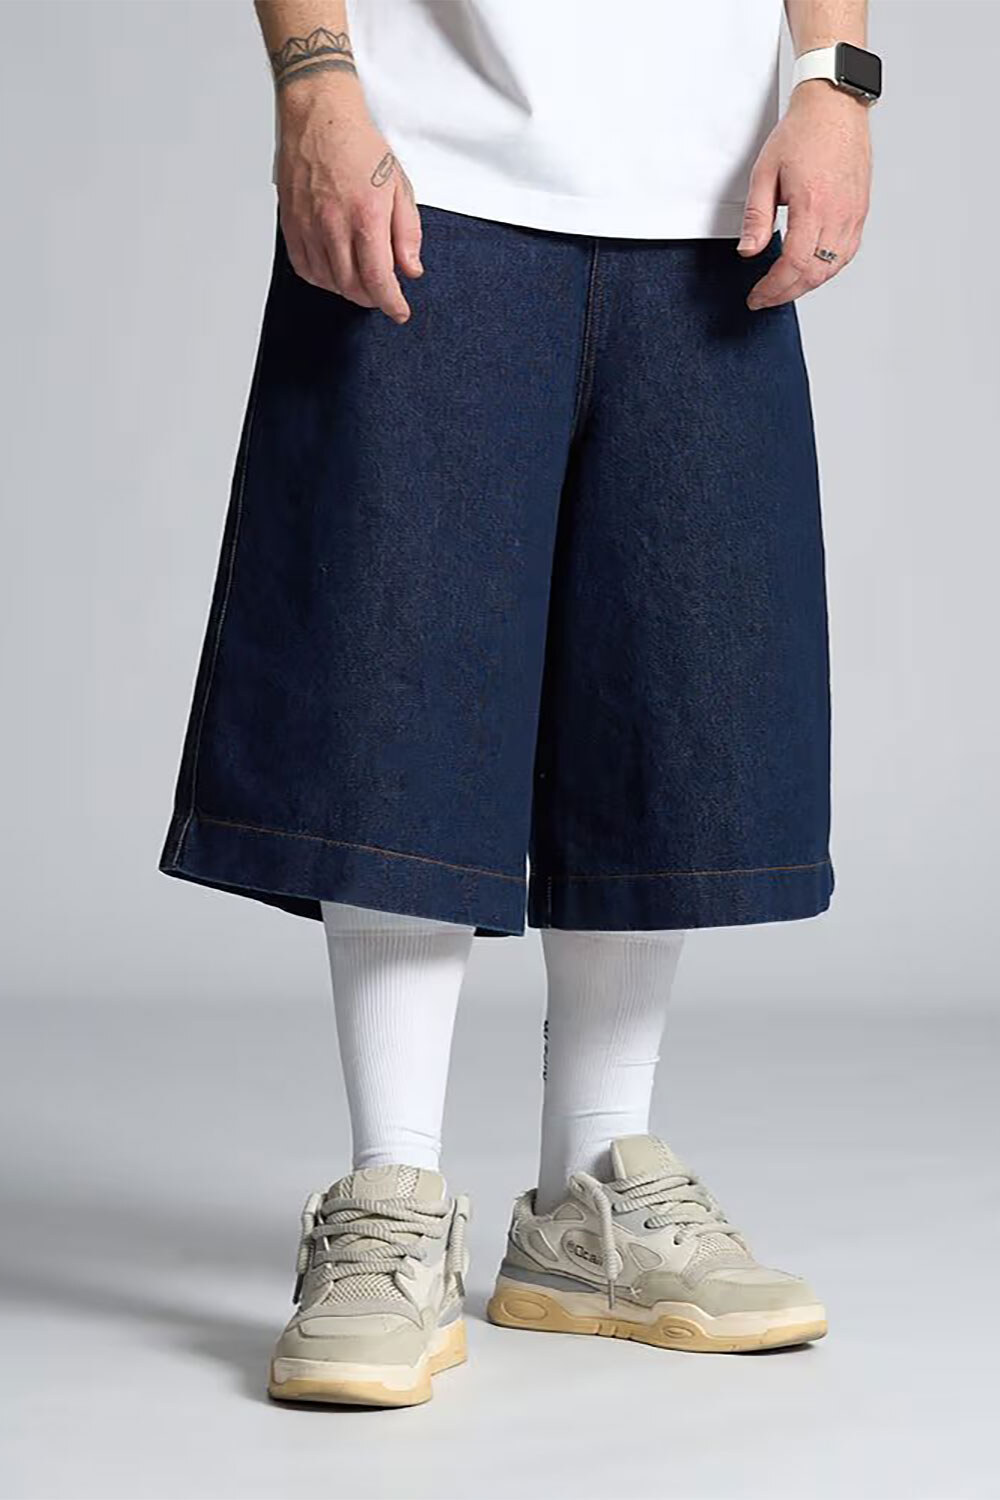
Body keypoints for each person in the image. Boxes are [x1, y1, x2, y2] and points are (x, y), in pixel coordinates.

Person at [160, 0, 877, 1407]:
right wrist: (314, 83)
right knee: (395, 680)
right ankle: (391, 1197)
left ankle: (591, 1197)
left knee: (669, 687)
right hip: (425, 157)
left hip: (713, 184)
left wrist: (833, 81)